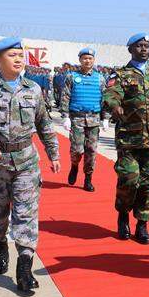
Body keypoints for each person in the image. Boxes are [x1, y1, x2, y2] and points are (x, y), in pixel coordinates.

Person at [0, 36, 60, 294]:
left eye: (20, 55)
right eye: (11, 55)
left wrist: (53, 153)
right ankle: (0, 247)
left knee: (26, 214)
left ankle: (24, 267)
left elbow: (44, 123)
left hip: (27, 161)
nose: (18, 59)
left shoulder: (33, 89)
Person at [102, 33, 149, 245]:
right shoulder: (121, 75)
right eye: (139, 46)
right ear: (130, 49)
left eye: (146, 46)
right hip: (129, 139)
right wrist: (115, 105)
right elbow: (110, 94)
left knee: (148, 184)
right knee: (129, 179)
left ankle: (142, 224)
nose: (143, 49)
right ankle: (123, 215)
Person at [60, 47, 108, 192]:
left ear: (94, 60)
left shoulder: (100, 78)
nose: (87, 61)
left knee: (91, 150)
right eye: (85, 58)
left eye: (90, 58)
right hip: (77, 119)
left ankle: (88, 179)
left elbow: (105, 99)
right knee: (77, 150)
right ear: (80, 60)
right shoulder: (71, 77)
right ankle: (74, 165)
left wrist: (105, 118)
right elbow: (65, 96)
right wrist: (65, 117)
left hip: (94, 119)